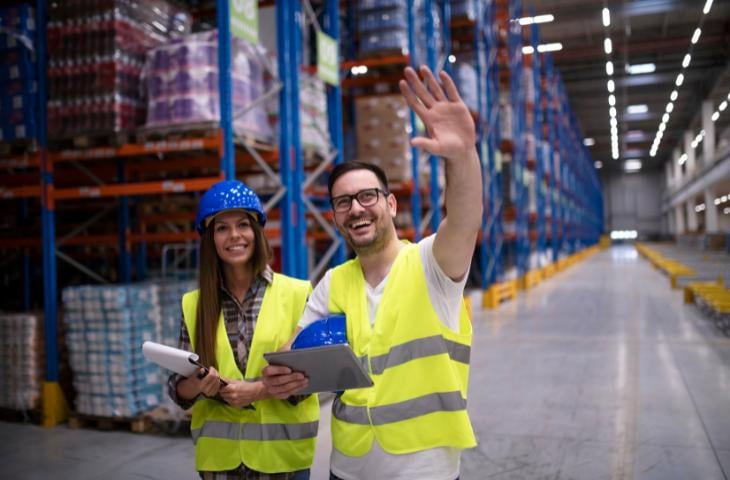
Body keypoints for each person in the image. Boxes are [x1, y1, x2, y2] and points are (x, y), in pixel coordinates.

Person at [263, 65, 482, 480]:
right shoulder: (334, 282)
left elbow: (465, 217)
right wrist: (280, 377)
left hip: (423, 468)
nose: (356, 209)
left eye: (367, 196)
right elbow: (297, 356)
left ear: (391, 204)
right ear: (335, 217)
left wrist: (463, 156)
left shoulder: (432, 264)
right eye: (343, 203)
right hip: (348, 465)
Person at [168, 179, 318, 480]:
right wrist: (200, 385)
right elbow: (178, 389)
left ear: (257, 231)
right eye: (222, 228)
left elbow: (312, 378)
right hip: (220, 463)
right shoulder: (194, 305)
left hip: (282, 460)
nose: (234, 235)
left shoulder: (298, 294)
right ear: (209, 238)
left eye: (242, 225)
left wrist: (258, 391)